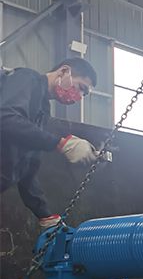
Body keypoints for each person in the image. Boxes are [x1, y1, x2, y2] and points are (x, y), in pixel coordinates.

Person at [0, 58, 100, 228]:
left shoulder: (42, 111)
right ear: (64, 71)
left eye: (83, 95)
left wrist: (45, 215)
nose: (78, 97)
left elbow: (27, 167)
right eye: (80, 87)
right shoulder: (26, 78)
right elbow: (5, 119)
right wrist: (60, 143)